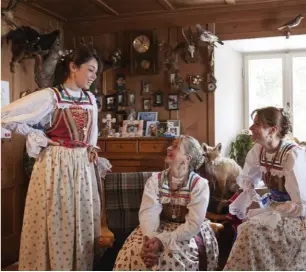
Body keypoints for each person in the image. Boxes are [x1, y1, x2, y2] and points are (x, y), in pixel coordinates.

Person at [1, 44, 111, 270]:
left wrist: (91, 150)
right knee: (56, 220)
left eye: (95, 72)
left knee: (79, 222)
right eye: (90, 70)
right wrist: (36, 135)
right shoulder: (51, 96)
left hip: (82, 167)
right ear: (73, 67)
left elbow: (92, 137)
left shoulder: (90, 99)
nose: (93, 76)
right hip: (55, 166)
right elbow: (5, 115)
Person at [114, 135, 219, 271]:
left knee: (173, 254)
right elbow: (148, 214)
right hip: (157, 227)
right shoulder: (155, 181)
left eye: (175, 146)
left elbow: (193, 224)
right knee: (135, 251)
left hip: (187, 231)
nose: (169, 148)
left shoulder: (199, 185)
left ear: (187, 158)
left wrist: (162, 241)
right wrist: (151, 240)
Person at [223, 106, 306, 271]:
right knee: (246, 229)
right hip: (274, 211)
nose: (251, 128)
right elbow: (250, 181)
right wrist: (264, 199)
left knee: (249, 230)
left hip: (297, 218)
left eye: (257, 124)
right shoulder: (259, 150)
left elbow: (301, 205)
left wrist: (275, 206)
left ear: (273, 130)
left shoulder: (291, 156)